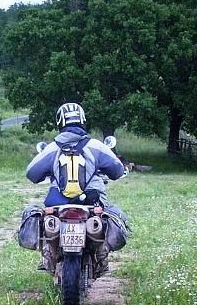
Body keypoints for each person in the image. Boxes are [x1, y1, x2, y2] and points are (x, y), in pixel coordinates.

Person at [25, 102, 127, 275]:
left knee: (46, 219)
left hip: (58, 200)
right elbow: (117, 170)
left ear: (60, 122)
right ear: (82, 120)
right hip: (92, 199)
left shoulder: (53, 148)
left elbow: (31, 173)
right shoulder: (96, 146)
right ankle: (102, 254)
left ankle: (49, 253)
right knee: (106, 217)